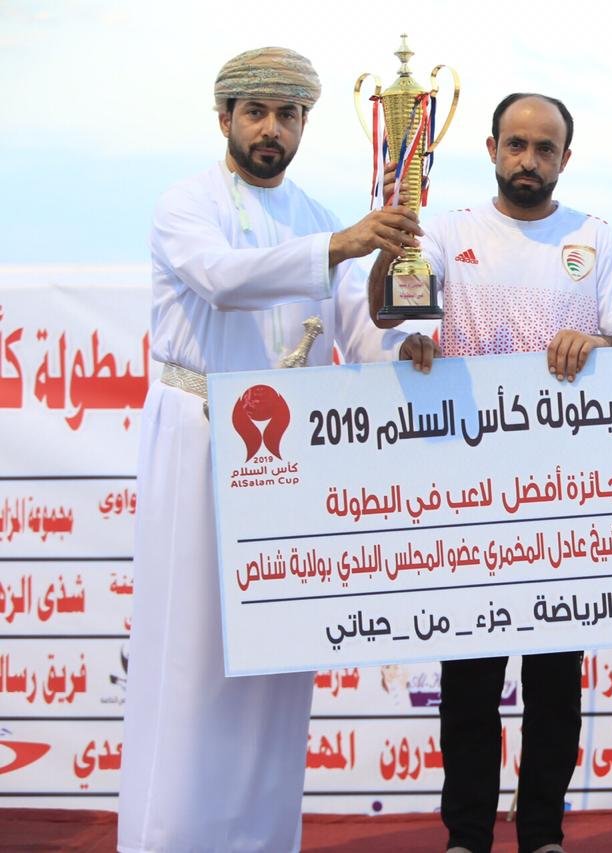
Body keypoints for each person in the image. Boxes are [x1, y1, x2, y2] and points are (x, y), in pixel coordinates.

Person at [118, 47, 422, 852]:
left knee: (276, 659)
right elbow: (223, 278)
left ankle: (258, 838)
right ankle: (170, 838)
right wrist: (341, 246)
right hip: (200, 437)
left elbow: (360, 330)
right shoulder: (186, 203)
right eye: (255, 112)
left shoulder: (319, 214)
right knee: (194, 657)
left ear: (304, 125)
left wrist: (407, 341)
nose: (271, 130)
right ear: (224, 118)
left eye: (288, 115)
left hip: (290, 462)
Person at [370, 92, 612, 853]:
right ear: (491, 149)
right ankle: (466, 835)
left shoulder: (594, 237)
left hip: (564, 495)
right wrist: (404, 294)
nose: (529, 160)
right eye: (516, 144)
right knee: (469, 680)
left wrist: (599, 345)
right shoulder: (445, 231)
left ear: (565, 158)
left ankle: (543, 833)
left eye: (544, 148)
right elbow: (392, 314)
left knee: (556, 680)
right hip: (468, 495)